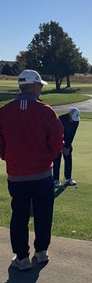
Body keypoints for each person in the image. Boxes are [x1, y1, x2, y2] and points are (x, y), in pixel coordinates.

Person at [0, 70, 63, 270]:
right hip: (43, 175)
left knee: (19, 215)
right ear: (34, 87)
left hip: (17, 176)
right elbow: (57, 142)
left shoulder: (4, 111)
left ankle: (22, 258)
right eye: (40, 86)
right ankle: (42, 252)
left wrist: (10, 157)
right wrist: (46, 158)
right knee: (44, 213)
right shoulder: (45, 111)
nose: (41, 89)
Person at [54, 108, 80, 188]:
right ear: (69, 115)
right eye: (72, 118)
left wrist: (67, 146)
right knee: (57, 160)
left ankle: (68, 178)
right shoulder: (60, 119)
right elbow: (57, 134)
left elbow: (72, 134)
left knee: (68, 158)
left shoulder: (76, 121)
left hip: (67, 141)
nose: (73, 120)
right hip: (57, 141)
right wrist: (62, 146)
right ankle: (55, 180)